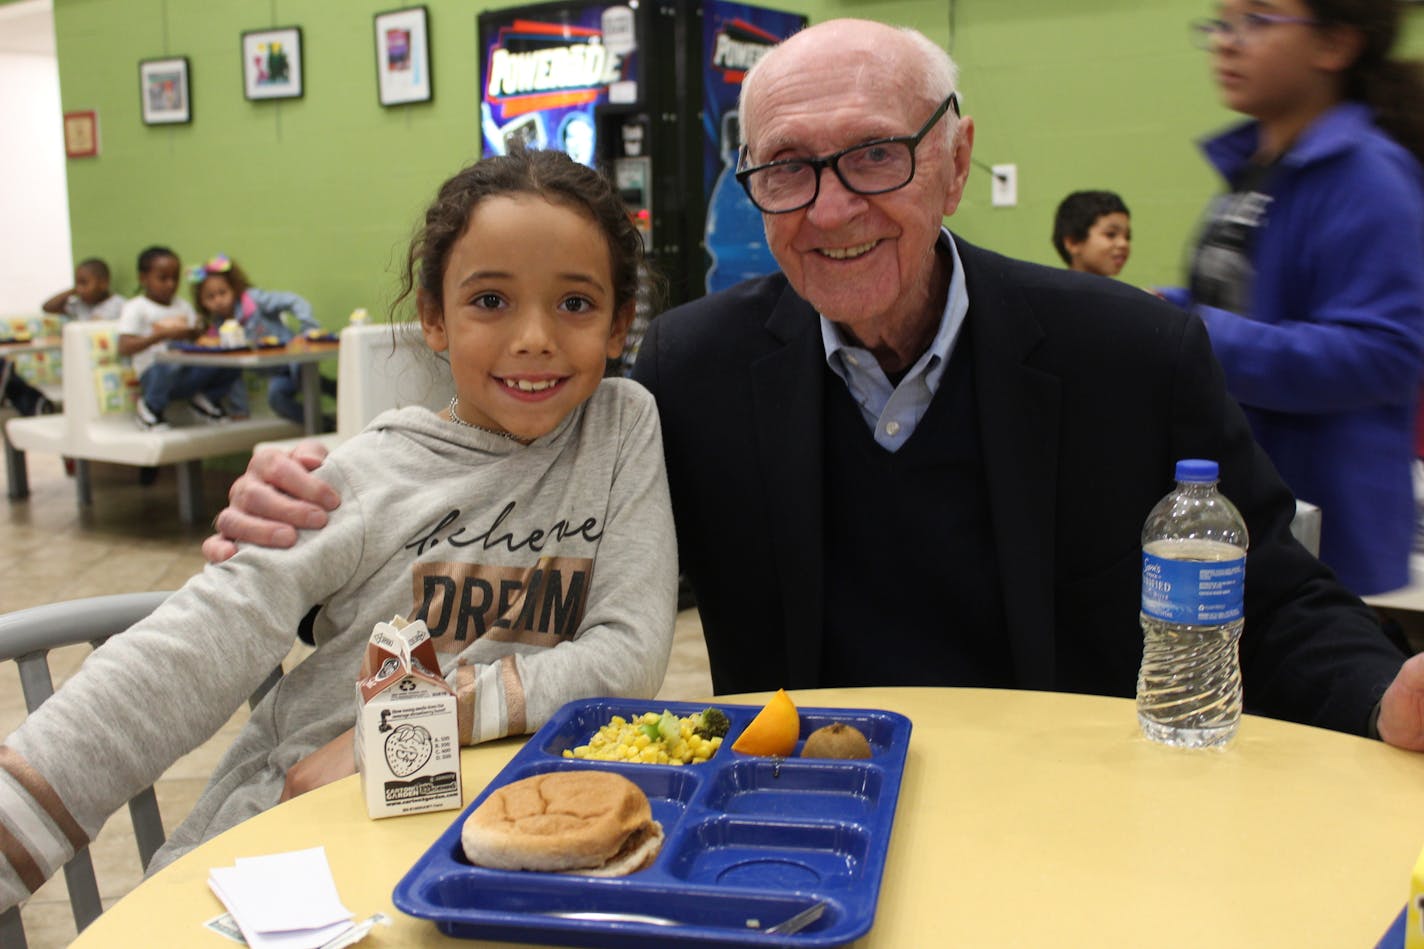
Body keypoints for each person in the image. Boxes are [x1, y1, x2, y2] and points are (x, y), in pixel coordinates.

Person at [207, 20, 1424, 752]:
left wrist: (1383, 697)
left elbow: (1266, 585)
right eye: (785, 170)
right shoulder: (687, 371)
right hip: (803, 810)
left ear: (951, 159)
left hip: (1072, 806)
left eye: (874, 156)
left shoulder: (1125, 351)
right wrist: (329, 495)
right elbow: (532, 530)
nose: (831, 208)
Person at [0, 147, 677, 912]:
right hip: (294, 834)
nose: (533, 337)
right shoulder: (361, 477)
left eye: (576, 305)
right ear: (433, 318)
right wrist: (22, 806)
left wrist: (411, 723)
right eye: (490, 300)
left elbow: (627, 652)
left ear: (621, 323)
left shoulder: (621, 428)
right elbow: (202, 636)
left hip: (498, 833)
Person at [1157, 0, 1424, 596]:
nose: (1227, 42)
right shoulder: (1257, 170)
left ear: (1334, 45)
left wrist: (1191, 332)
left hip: (1327, 543)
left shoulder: (1369, 175)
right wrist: (1153, 310)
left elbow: (1383, 352)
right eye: (1221, 24)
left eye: (1257, 21)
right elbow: (1250, 309)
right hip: (1248, 515)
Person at [189, 254, 337, 423]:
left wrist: (308, 328)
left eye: (222, 293)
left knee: (304, 378)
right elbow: (233, 370)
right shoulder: (217, 330)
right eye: (210, 297)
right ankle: (326, 424)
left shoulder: (253, 300)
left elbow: (294, 301)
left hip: (294, 361)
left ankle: (333, 389)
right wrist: (240, 409)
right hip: (277, 373)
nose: (218, 301)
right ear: (202, 303)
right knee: (277, 399)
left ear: (234, 288)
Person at [117, 246, 241, 430]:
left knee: (233, 359)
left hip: (186, 372)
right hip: (155, 374)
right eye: (163, 278)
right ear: (143, 278)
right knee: (170, 361)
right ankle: (150, 408)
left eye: (175, 278)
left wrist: (197, 331)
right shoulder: (136, 307)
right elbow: (124, 346)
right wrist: (161, 335)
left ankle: (205, 399)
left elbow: (196, 338)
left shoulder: (182, 305)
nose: (170, 284)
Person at [1051, 190, 1132, 277]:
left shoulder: (1122, 290)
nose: (1124, 244)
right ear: (1073, 242)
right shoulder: (1051, 290)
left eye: (1127, 237)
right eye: (1111, 234)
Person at [40, 257, 125, 321]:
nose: (79, 289)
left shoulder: (119, 305)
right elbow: (47, 307)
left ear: (103, 283)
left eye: (84, 283)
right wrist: (73, 291)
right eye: (77, 283)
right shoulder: (79, 304)